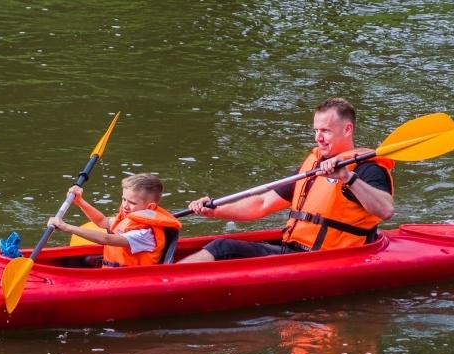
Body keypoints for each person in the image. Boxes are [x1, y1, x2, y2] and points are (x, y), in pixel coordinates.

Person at [178, 97, 395, 263]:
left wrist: (348, 177)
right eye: (316, 130)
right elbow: (262, 203)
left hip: (325, 258)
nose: (318, 138)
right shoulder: (313, 165)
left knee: (222, 248)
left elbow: (386, 210)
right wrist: (216, 210)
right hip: (294, 250)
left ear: (347, 129)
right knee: (220, 246)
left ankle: (167, 281)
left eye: (325, 131)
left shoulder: (367, 169)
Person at [47, 172, 181, 267]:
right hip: (113, 272)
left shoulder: (144, 234)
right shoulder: (128, 218)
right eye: (124, 199)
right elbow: (102, 221)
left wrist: (67, 227)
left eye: (132, 203)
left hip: (129, 280)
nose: (125, 206)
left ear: (150, 207)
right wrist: (80, 202)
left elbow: (107, 239)